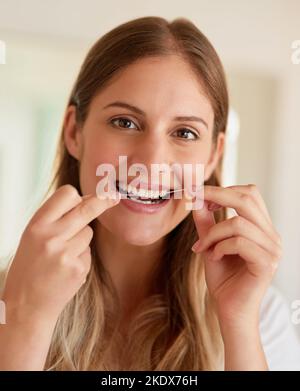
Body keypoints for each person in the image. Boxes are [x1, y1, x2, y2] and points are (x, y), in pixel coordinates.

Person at [0, 16, 299, 371]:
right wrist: (26, 320)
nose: (152, 159)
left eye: (185, 133)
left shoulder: (260, 317)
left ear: (213, 156)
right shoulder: (10, 304)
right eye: (125, 122)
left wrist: (238, 325)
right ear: (73, 132)